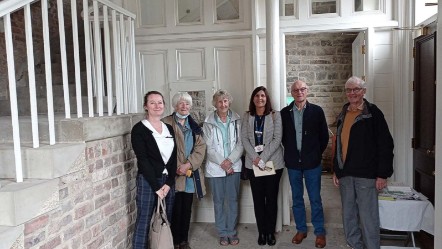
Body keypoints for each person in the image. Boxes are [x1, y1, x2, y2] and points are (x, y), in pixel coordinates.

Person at [332, 76, 394, 249]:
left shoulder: (373, 113)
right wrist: (337, 169)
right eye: (349, 90)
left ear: (364, 91)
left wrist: (382, 173)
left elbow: (386, 144)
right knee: (348, 216)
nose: (352, 93)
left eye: (356, 89)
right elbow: (339, 145)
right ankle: (354, 245)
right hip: (346, 174)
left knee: (368, 217)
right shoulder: (343, 113)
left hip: (366, 176)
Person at [280, 80, 328, 248]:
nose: (299, 92)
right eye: (295, 90)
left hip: (312, 163)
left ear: (307, 91)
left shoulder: (317, 111)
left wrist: (314, 154)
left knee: (315, 198)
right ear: (291, 93)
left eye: (302, 89)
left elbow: (324, 138)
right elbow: (282, 138)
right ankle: (301, 229)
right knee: (297, 198)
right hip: (293, 163)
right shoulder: (284, 113)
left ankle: (319, 231)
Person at [131, 91, 177, 249]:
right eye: (152, 102)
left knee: (164, 220)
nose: (157, 106)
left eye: (160, 102)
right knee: (144, 221)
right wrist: (156, 187)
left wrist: (169, 183)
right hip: (148, 181)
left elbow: (173, 159)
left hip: (167, 183)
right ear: (145, 106)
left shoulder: (169, 129)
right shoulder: (139, 129)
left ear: (164, 105)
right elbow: (143, 160)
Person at [240, 86, 284, 246]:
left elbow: (277, 139)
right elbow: (244, 138)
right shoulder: (247, 116)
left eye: (263, 96)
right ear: (253, 99)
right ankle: (262, 232)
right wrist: (256, 158)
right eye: (257, 96)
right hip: (253, 165)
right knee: (258, 200)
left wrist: (262, 158)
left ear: (267, 98)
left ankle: (270, 233)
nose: (260, 98)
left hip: (273, 164)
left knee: (271, 199)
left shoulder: (275, 115)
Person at [162, 92, 206, 249]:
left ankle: (183, 240)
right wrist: (175, 168)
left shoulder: (194, 126)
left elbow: (201, 148)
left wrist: (187, 165)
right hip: (172, 175)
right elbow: (160, 149)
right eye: (181, 103)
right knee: (172, 209)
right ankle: (173, 240)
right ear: (175, 106)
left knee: (186, 209)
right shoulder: (165, 123)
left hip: (188, 174)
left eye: (187, 104)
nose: (184, 106)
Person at [203, 89, 243, 246]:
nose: (223, 104)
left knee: (232, 200)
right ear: (215, 103)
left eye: (225, 101)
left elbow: (241, 144)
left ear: (229, 102)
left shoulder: (238, 120)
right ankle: (222, 232)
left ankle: (231, 232)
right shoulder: (208, 122)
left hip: (234, 166)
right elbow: (208, 146)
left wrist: (230, 162)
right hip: (215, 168)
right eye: (219, 101)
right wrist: (223, 163)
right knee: (219, 201)